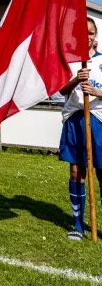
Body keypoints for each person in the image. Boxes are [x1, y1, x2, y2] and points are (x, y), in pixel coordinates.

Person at [59, 17, 102, 241]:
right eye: (83, 32)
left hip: (98, 121)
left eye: (91, 33)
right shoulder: (69, 61)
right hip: (75, 119)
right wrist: (77, 78)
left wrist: (96, 93)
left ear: (95, 37)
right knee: (77, 172)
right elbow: (61, 90)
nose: (88, 36)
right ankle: (78, 224)